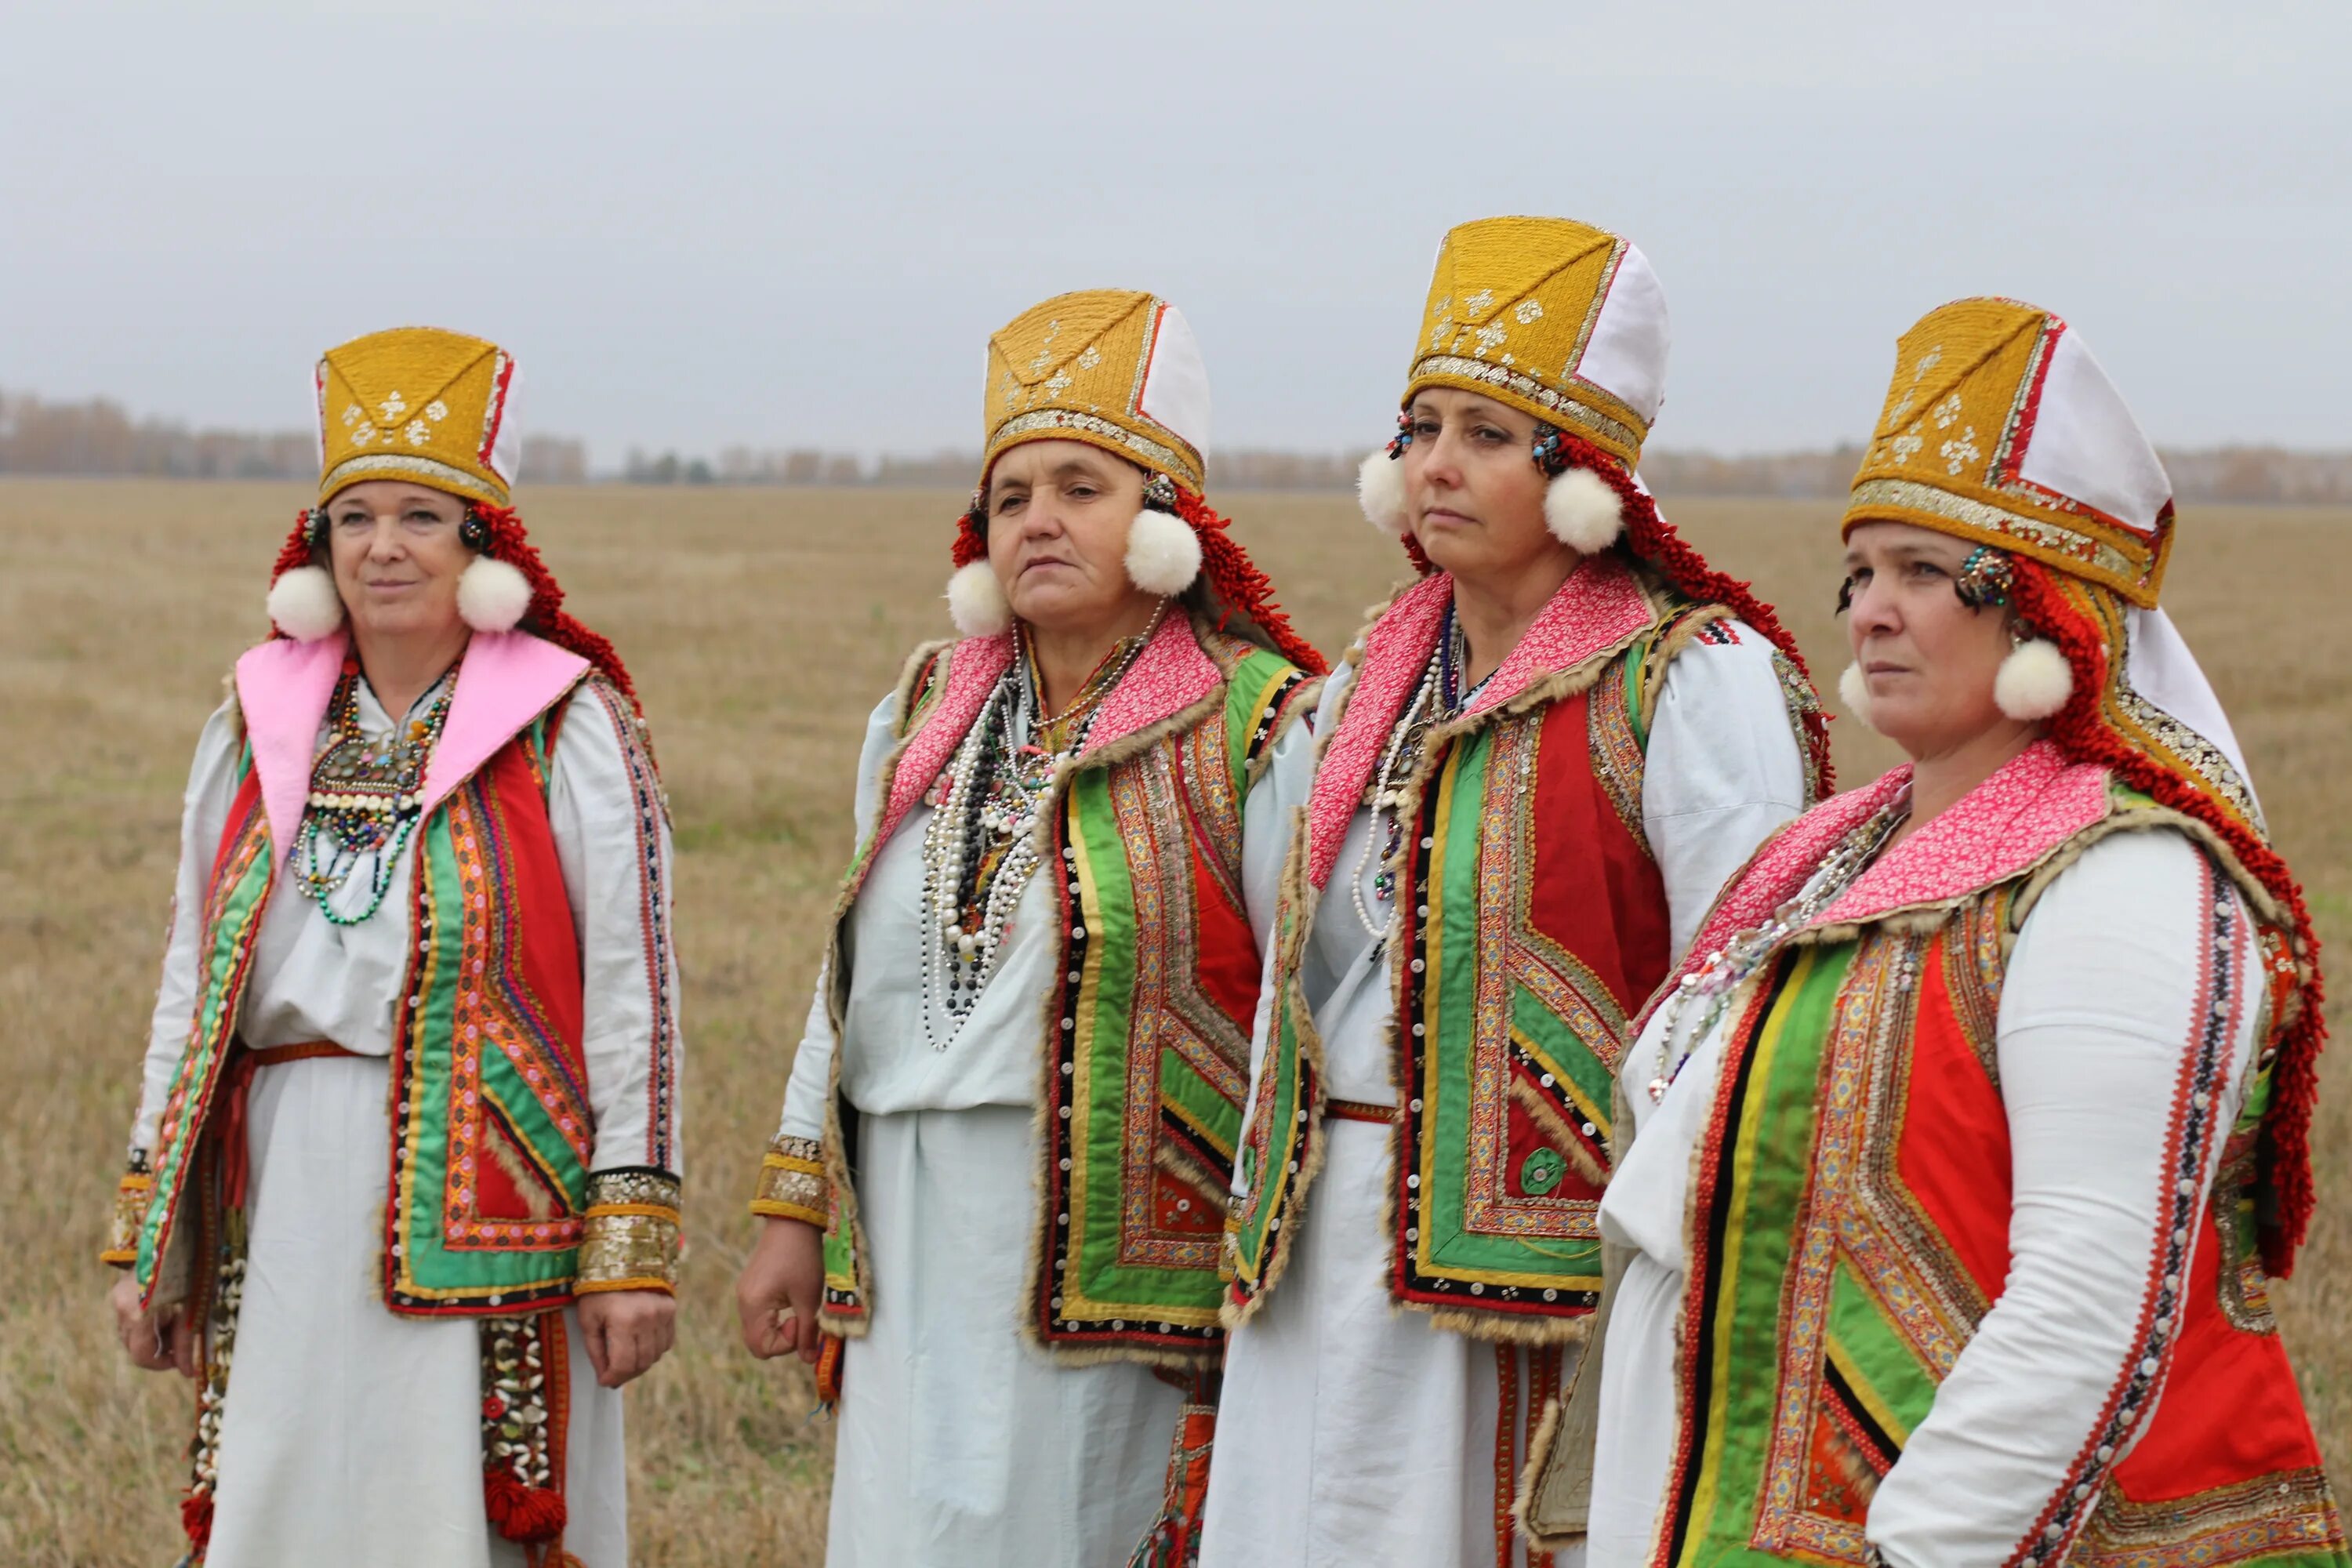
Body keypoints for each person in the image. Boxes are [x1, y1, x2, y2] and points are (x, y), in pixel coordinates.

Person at [1585, 297, 2347, 1567]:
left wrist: (1921, 1551)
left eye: (1925, 574)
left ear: (2048, 612)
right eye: (1861, 572)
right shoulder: (1819, 856)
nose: (1870, 611)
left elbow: (2085, 1302)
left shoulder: (2129, 880)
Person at [1204, 216, 1829, 1568]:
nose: (1435, 463)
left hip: (1536, 1267)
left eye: (1487, 434)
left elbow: (1744, 998)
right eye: (1421, 425)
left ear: (1583, 474)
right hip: (1316, 1235)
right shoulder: (1368, 675)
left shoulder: (1689, 678)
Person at [732, 289, 1326, 1567]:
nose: (1039, 520)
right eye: (1011, 496)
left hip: (1105, 1229)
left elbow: (1302, 1012)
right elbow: (847, 985)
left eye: (1081, 488)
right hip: (904, 1209)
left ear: (1165, 520)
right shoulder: (924, 710)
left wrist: (1266, 1253)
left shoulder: (1255, 722)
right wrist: (793, 1207)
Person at [101, 326, 683, 1568]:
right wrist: (151, 1226)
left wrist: (630, 1244)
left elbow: (636, 989)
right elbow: (191, 984)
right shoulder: (253, 715)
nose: (382, 547)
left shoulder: (567, 725)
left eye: (421, 516)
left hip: (488, 1176)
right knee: (285, 1504)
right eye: (353, 517)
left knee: (458, 1520)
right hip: (286, 1170)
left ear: (483, 543)